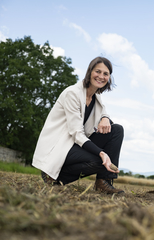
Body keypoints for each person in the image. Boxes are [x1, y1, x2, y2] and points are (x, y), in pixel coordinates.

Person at [32, 57, 124, 194]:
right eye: (97, 71)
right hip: (61, 146)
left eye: (106, 74)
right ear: (90, 72)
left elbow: (103, 111)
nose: (101, 76)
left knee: (117, 129)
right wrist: (101, 153)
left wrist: (105, 117)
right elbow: (76, 133)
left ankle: (103, 182)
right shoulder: (72, 93)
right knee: (100, 162)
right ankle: (55, 177)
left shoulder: (96, 97)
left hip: (75, 145)